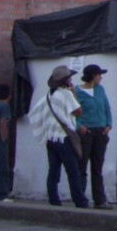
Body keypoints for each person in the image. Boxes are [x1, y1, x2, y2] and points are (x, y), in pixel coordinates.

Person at [29, 65, 89, 208]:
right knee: (73, 170)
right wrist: (74, 92)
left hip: (51, 138)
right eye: (70, 77)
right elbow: (78, 111)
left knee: (53, 171)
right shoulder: (66, 94)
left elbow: (38, 113)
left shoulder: (49, 96)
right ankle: (80, 200)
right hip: (63, 137)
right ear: (66, 81)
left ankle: (54, 199)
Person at [75, 64, 113, 209]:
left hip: (100, 132)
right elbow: (74, 112)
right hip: (86, 132)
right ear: (92, 76)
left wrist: (109, 124)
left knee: (97, 167)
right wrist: (80, 126)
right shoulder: (78, 92)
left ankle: (100, 199)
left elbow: (106, 107)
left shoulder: (100, 90)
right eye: (98, 75)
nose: (100, 77)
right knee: (82, 165)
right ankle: (81, 198)